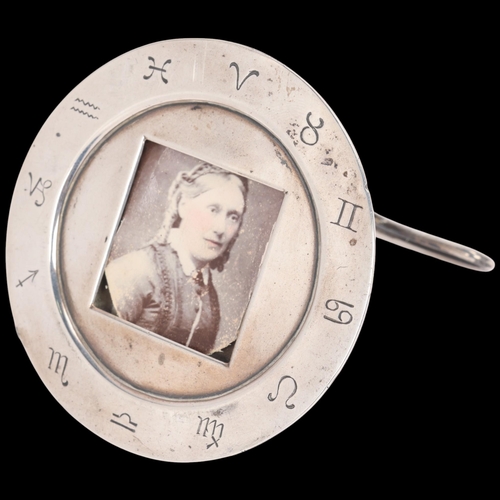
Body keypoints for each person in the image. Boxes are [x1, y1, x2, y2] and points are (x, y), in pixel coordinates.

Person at [104, 162, 248, 356]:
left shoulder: (210, 296)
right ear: (183, 206)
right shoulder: (138, 269)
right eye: (213, 209)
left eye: (233, 217)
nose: (221, 228)